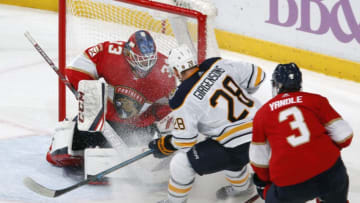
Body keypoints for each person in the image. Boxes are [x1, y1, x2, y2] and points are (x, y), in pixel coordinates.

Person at [148, 44, 266, 203]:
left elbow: (185, 141)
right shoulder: (216, 64)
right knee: (218, 144)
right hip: (264, 134)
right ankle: (242, 189)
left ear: (176, 71)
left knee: (181, 163)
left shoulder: (182, 97)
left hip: (236, 147)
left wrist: (165, 144)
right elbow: (258, 75)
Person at [46, 30, 176, 169]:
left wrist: (157, 122)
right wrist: (91, 95)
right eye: (141, 61)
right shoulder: (110, 52)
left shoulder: (165, 70)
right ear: (128, 53)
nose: (145, 67)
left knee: (140, 151)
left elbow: (170, 107)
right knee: (66, 148)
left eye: (150, 61)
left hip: (137, 128)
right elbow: (75, 69)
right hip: (104, 121)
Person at [249, 63, 353, 203]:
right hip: (331, 174)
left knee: (269, 192)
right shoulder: (316, 100)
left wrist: (265, 184)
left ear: (276, 85)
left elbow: (259, 160)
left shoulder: (262, 114)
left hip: (291, 186)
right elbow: (345, 136)